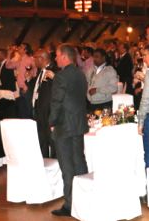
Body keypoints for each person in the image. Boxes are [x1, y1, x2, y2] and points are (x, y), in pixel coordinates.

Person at [49, 44, 88, 217]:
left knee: (67, 165)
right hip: (78, 123)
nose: (55, 58)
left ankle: (69, 205)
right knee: (79, 161)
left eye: (57, 55)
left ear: (64, 57)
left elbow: (56, 102)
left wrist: (51, 121)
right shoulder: (80, 74)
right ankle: (83, 199)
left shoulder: (61, 76)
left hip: (64, 125)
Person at [32, 50, 56, 158]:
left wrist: (54, 77)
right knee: (42, 139)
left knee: (52, 140)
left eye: (35, 58)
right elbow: (39, 89)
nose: (34, 60)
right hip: (39, 110)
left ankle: (56, 164)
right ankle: (44, 162)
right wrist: (29, 80)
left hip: (49, 111)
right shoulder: (40, 71)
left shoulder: (55, 70)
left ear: (41, 58)